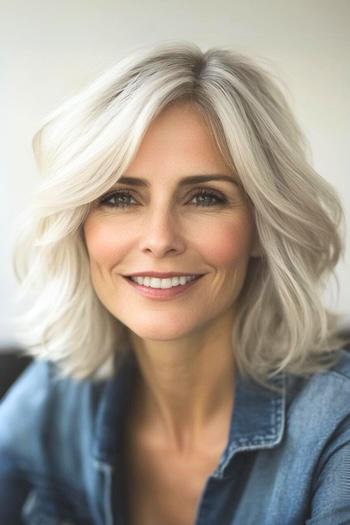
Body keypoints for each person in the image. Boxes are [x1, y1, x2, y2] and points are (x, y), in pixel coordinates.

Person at [0, 41, 349, 525]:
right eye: (120, 198)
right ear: (78, 225)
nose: (160, 239)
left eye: (205, 197)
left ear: (261, 227)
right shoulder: (53, 399)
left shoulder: (337, 427)